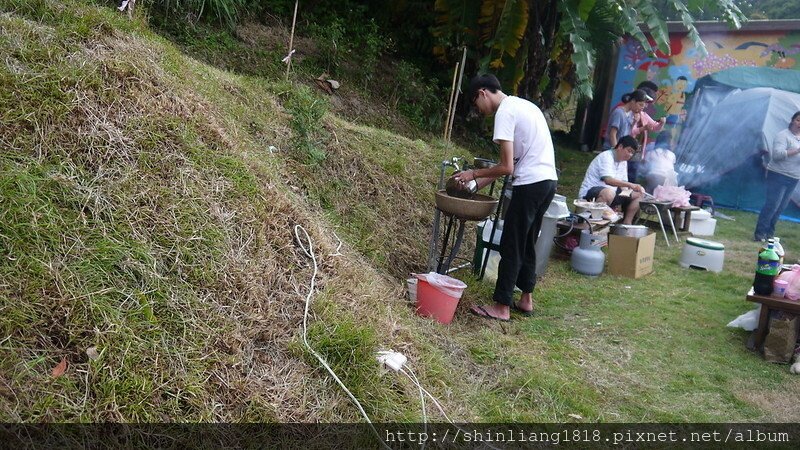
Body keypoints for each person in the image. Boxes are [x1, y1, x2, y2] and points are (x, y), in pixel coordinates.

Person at [451, 74, 558, 322]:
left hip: (530, 184)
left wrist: (472, 173)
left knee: (512, 242)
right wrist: (475, 183)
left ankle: (501, 307)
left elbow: (507, 167)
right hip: (547, 181)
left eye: (476, 103)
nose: (479, 110)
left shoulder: (504, 113)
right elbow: (508, 165)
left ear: (482, 93)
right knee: (527, 240)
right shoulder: (524, 105)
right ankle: (526, 299)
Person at [754, 111, 800, 241]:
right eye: (798, 120)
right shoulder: (783, 135)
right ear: (792, 120)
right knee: (772, 205)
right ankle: (759, 234)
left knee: (781, 207)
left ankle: (770, 233)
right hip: (778, 175)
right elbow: (777, 155)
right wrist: (797, 151)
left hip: (794, 177)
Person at [578, 135, 645, 225]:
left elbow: (624, 186)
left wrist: (630, 192)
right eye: (629, 151)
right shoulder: (606, 157)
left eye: (632, 153)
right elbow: (608, 180)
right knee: (609, 193)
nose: (630, 155)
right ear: (620, 146)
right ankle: (592, 222)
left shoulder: (623, 162)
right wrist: (631, 185)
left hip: (611, 195)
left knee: (639, 195)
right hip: (591, 194)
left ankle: (626, 225)